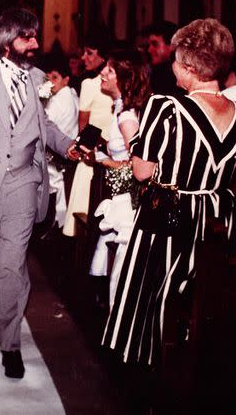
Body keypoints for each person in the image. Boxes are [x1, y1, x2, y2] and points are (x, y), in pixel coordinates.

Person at [103, 19, 236, 368]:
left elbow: (142, 171)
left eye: (175, 59)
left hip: (170, 218)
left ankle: (145, 361)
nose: (171, 66)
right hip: (217, 221)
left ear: (190, 67)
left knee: (148, 302)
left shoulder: (168, 107)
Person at [0, 7, 79, 379]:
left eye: (35, 36)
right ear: (8, 41)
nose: (36, 44)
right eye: (28, 37)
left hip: (25, 181)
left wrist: (68, 146)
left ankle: (10, 343)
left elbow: (45, 125)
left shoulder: (39, 78)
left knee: (12, 262)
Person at [87, 49, 150, 308]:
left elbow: (137, 164)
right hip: (118, 194)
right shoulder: (121, 108)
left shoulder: (127, 117)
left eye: (109, 71)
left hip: (128, 200)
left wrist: (101, 160)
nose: (102, 72)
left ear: (125, 79)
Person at [63, 29, 114, 238]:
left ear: (103, 56)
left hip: (115, 153)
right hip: (93, 155)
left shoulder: (113, 83)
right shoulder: (88, 84)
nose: (84, 58)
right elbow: (83, 128)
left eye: (89, 53)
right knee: (86, 215)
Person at [42, 54, 79, 228]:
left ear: (66, 79)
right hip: (61, 153)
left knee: (55, 198)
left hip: (57, 154)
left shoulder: (60, 99)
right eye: (48, 78)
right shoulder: (70, 94)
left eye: (55, 78)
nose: (51, 82)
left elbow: (45, 126)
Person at [145, 20, 183, 96]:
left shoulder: (180, 77)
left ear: (171, 45)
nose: (149, 50)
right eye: (149, 45)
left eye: (155, 44)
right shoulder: (155, 72)